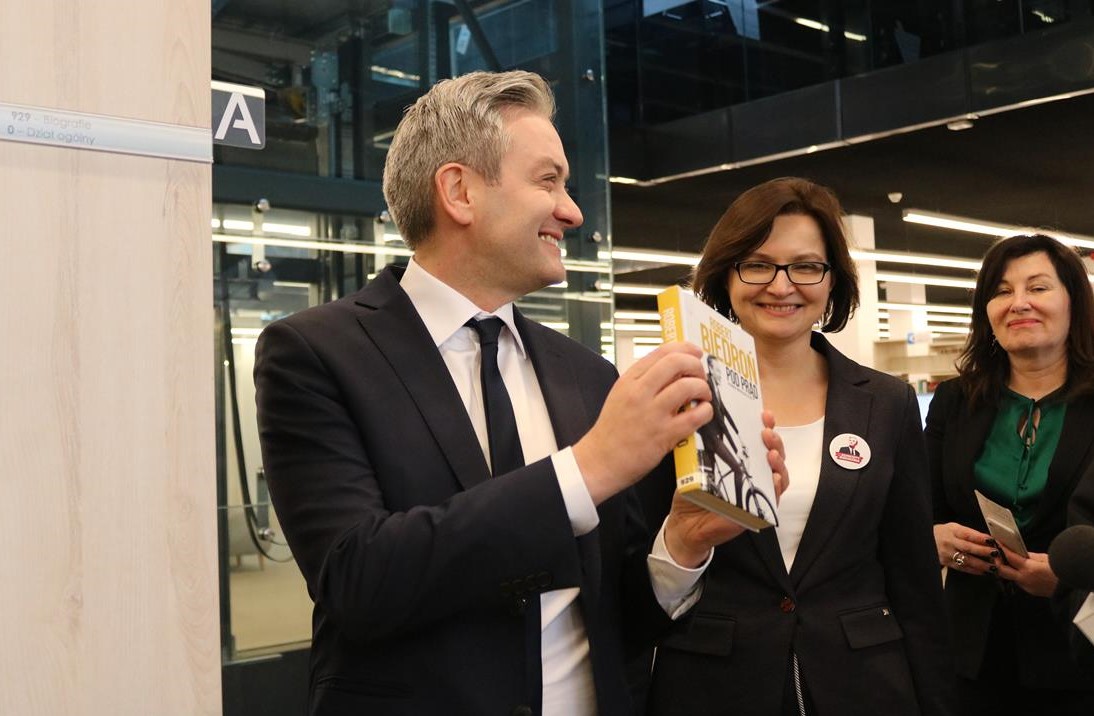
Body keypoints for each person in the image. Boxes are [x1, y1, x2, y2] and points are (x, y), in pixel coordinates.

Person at [253, 70, 786, 716]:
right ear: (459, 192)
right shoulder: (315, 354)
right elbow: (357, 581)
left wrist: (684, 544)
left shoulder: (586, 376)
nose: (573, 211)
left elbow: (615, 615)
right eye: (548, 181)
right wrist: (587, 469)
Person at [643, 177, 954, 716]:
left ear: (832, 280)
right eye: (758, 264)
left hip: (864, 686)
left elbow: (914, 580)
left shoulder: (887, 403)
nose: (781, 285)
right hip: (715, 685)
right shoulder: (677, 395)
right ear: (726, 274)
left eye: (806, 266)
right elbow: (639, 568)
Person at [926, 233, 1094, 715]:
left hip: (1076, 652)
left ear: (1073, 301)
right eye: (1001, 291)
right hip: (970, 653)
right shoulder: (956, 400)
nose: (1019, 302)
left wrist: (1066, 578)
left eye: (1037, 287)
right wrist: (934, 538)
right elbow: (917, 506)